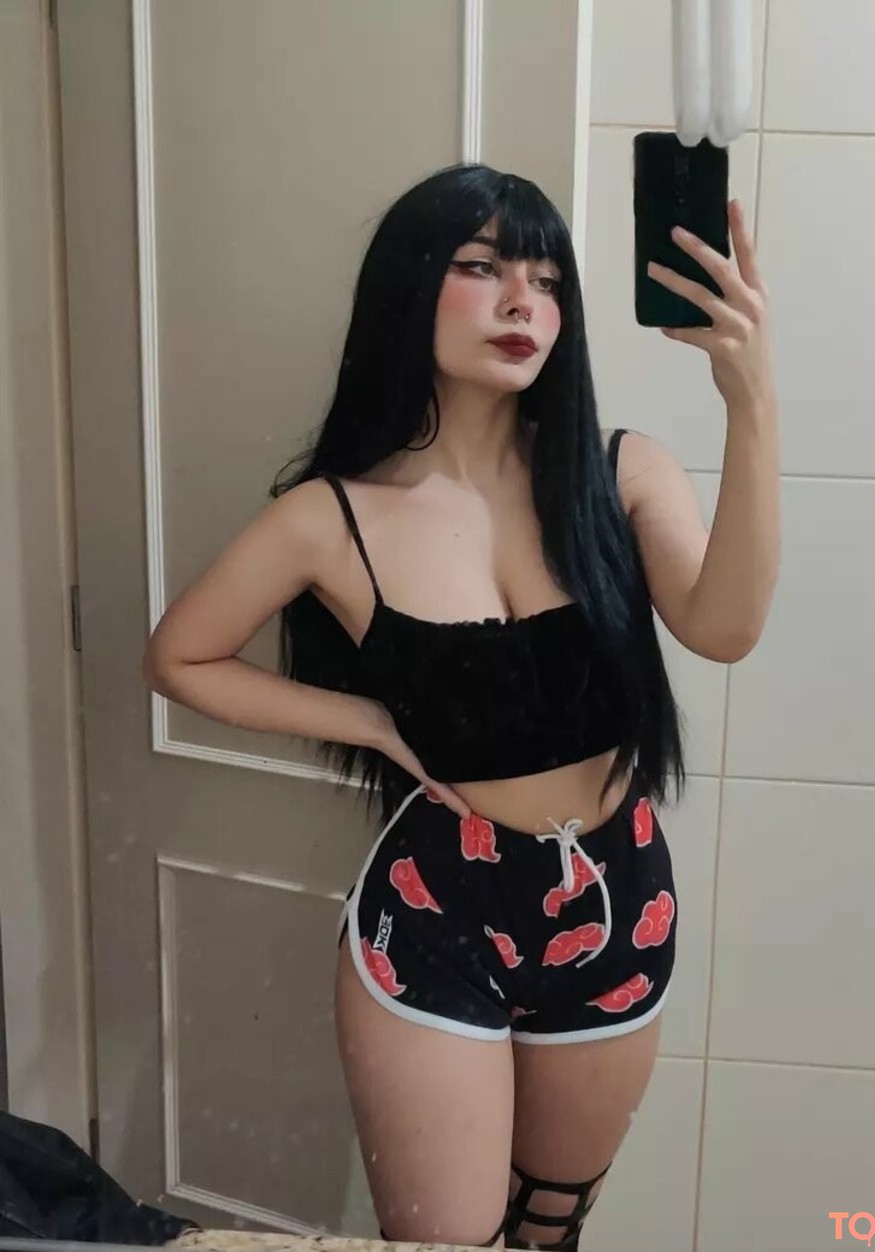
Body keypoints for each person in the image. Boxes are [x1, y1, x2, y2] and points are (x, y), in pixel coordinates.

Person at [143, 162, 779, 1249]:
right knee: (446, 1247)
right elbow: (181, 658)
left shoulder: (621, 474)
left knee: (550, 1229)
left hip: (618, 896)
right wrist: (369, 723)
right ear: (408, 285)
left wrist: (751, 401)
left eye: (547, 279)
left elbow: (726, 628)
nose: (524, 300)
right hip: (438, 911)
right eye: (483, 267)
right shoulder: (331, 515)